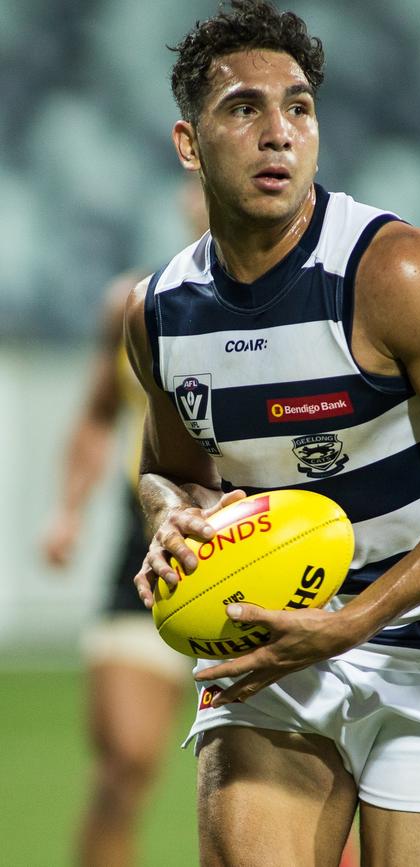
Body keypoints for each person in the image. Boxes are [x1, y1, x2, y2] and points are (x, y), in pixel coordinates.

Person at [125, 2, 420, 865]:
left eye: (298, 107)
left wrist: (356, 620)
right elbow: (170, 470)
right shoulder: (160, 314)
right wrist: (169, 512)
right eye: (244, 108)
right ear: (188, 143)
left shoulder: (397, 273)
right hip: (276, 651)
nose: (278, 134)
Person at [42, 180, 208, 867]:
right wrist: (69, 512)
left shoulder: (302, 311)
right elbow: (96, 415)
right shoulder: (135, 306)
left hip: (267, 548)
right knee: (123, 765)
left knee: (306, 774)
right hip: (148, 550)